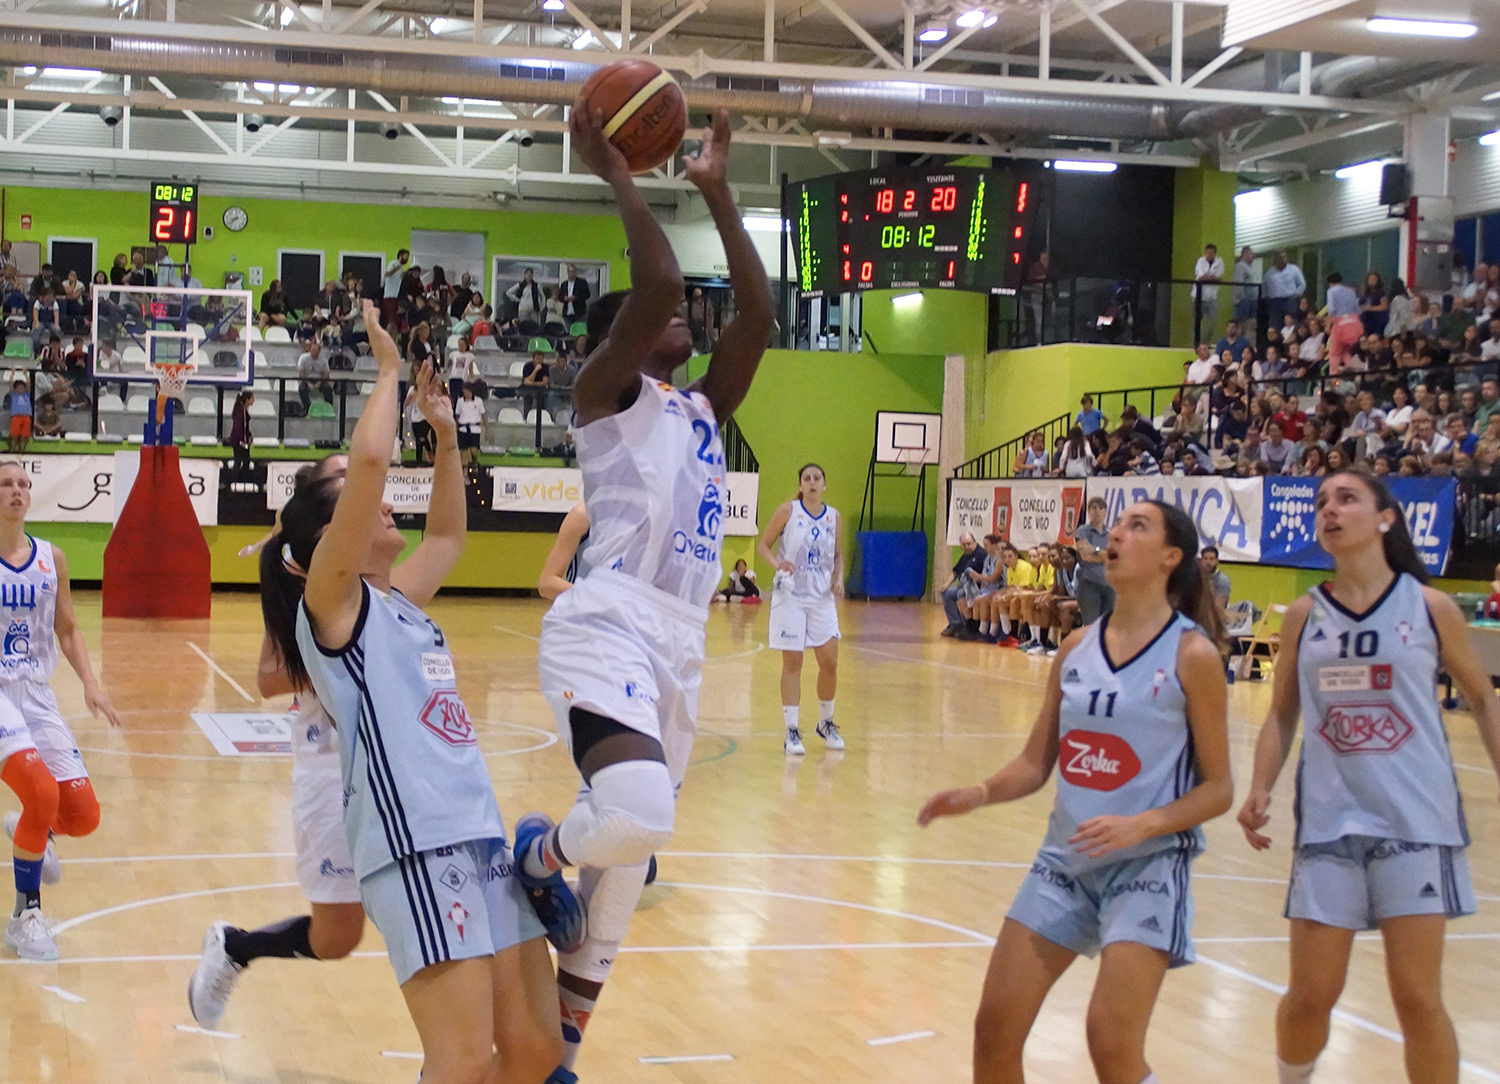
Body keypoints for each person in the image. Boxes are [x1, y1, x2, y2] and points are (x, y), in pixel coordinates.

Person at [510, 105, 773, 1084]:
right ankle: (539, 854)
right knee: (632, 814)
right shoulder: (603, 397)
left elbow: (758, 316)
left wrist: (717, 190)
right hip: (608, 619)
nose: (678, 313)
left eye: (679, 320)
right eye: (656, 315)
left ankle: (558, 1061)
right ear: (613, 338)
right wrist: (613, 169)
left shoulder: (703, 409)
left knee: (618, 886)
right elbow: (661, 276)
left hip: (682, 643)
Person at [267, 299, 569, 1083]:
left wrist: (442, 434)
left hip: (479, 835)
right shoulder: (331, 610)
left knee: (537, 1047)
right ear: (322, 545)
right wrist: (391, 373)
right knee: (462, 1058)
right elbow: (367, 467)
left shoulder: (397, 599)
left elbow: (447, 537)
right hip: (415, 849)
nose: (379, 498)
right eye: (352, 505)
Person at [918, 499, 1232, 1084]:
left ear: (1171, 557)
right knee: (994, 1032)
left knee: (1111, 1043)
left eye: (1137, 526)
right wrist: (980, 792)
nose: (1116, 533)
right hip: (1063, 862)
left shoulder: (1193, 655)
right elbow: (1037, 763)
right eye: (1116, 524)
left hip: (1147, 868)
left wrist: (1142, 824)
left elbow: (1219, 791)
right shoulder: (1076, 647)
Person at [1236, 469, 1500, 1084]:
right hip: (1330, 824)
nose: (1330, 509)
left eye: (1347, 498)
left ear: (1386, 518)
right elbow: (1281, 712)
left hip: (1417, 822)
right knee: (1309, 995)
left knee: (1416, 998)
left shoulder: (1430, 607)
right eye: (1322, 502)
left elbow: (1483, 701)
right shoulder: (1304, 615)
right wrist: (1259, 788)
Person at [187, 457, 368, 1027]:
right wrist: (332, 655)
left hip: (392, 767)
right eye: (344, 481)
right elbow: (267, 678)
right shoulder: (294, 577)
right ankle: (237, 948)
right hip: (329, 766)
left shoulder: (378, 564)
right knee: (338, 936)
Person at [0, 463, 122, 960]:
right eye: (6, 483)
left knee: (83, 814)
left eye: (23, 484)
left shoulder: (53, 558)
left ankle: (33, 827)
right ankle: (25, 914)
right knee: (41, 790)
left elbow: (67, 629)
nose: (16, 491)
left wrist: (91, 684)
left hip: (36, 690)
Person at [759, 464, 845, 757]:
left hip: (821, 599)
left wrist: (839, 578)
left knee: (830, 662)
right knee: (793, 662)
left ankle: (826, 721)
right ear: (800, 484)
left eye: (816, 478)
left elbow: (837, 555)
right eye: (806, 478)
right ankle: (792, 731)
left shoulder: (834, 517)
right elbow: (763, 546)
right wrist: (776, 564)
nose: (811, 482)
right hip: (791, 596)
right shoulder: (788, 511)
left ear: (824, 485)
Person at [538, 503, 590, 601]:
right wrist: (593, 599)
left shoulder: (627, 522)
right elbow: (546, 583)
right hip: (582, 611)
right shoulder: (582, 515)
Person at [1075, 496, 1114, 625]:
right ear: (1088, 511)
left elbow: (1114, 557)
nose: (1098, 511)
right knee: (1090, 626)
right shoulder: (1083, 530)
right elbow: (1086, 555)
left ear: (1106, 512)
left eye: (1101, 508)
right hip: (1089, 584)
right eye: (1094, 508)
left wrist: (1095, 549)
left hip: (1110, 585)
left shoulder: (1112, 533)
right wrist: (1104, 554)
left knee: (1107, 626)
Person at [940, 531, 986, 637]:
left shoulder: (981, 554)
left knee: (961, 595)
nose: (967, 546)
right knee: (947, 594)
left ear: (974, 542)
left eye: (969, 544)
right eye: (964, 545)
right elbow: (956, 571)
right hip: (964, 587)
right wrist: (946, 585)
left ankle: (970, 627)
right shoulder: (965, 555)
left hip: (976, 588)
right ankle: (956, 623)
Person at [1263, 251, 1307, 334]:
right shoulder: (1269, 272)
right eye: (1280, 258)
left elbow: (1302, 284)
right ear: (1276, 259)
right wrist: (1266, 298)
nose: (1283, 260)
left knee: (1290, 325)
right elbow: (1264, 287)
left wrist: (1296, 295)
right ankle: (1276, 346)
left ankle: (1289, 344)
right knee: (1275, 326)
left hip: (1290, 301)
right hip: (1274, 303)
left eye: (1285, 257)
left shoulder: (1294, 269)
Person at [1193, 243, 1225, 344]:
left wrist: (1210, 277)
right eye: (1207, 253)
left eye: (1211, 253)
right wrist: (1210, 277)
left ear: (1215, 253)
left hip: (1212, 297)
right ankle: (1196, 343)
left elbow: (1219, 277)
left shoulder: (1219, 262)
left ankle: (1205, 343)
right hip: (1199, 296)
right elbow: (1200, 277)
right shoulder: (1200, 261)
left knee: (1211, 322)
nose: (1209, 255)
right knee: (1196, 322)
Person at [454, 383, 486, 467]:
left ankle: (475, 461)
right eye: (464, 391)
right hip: (463, 428)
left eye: (467, 391)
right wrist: (456, 427)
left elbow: (483, 415)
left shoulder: (478, 401)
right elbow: (457, 415)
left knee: (474, 450)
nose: (465, 393)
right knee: (463, 451)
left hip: (474, 429)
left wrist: (487, 429)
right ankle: (464, 471)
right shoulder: (460, 401)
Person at [296, 339, 334, 411]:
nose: (313, 353)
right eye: (312, 350)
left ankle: (329, 408)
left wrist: (318, 383)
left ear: (319, 352)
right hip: (307, 379)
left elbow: (326, 375)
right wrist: (308, 383)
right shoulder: (304, 358)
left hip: (320, 380)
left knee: (328, 389)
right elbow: (301, 374)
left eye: (315, 351)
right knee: (302, 389)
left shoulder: (324, 360)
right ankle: (307, 408)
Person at [507, 268, 544, 332]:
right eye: (527, 274)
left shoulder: (536, 285)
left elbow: (542, 296)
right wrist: (517, 299)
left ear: (532, 275)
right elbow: (508, 293)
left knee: (534, 327)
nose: (529, 276)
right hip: (523, 309)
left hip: (534, 309)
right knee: (523, 326)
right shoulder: (520, 285)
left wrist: (541, 307)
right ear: (524, 275)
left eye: (530, 274)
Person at [380, 249, 409, 327]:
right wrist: (396, 268)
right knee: (391, 321)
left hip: (395, 297)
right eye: (405, 256)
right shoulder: (393, 264)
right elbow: (387, 274)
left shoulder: (401, 269)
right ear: (400, 256)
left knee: (395, 320)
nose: (407, 258)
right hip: (390, 296)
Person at [1199, 544, 1231, 614]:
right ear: (1201, 561)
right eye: (1205, 558)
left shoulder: (1222, 581)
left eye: (1211, 559)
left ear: (1217, 561)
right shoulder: (1195, 578)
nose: (1208, 562)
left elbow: (1219, 609)